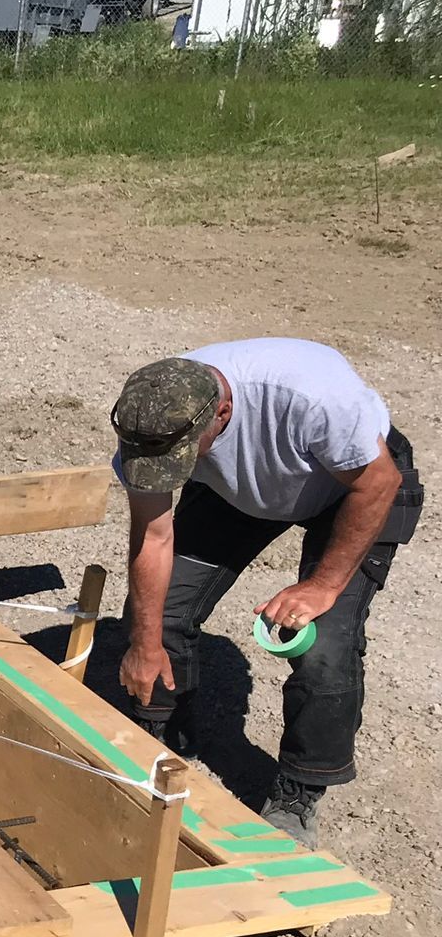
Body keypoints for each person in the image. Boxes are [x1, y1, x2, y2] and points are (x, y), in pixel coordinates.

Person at [110, 338, 422, 845]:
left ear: (223, 412)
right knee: (158, 615)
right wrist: (143, 644)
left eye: (180, 458)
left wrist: (323, 586)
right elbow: (153, 535)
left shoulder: (312, 399)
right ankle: (166, 737)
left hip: (354, 487)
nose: (166, 473)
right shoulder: (153, 421)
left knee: (324, 645)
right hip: (239, 487)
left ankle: (299, 793)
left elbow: (377, 483)